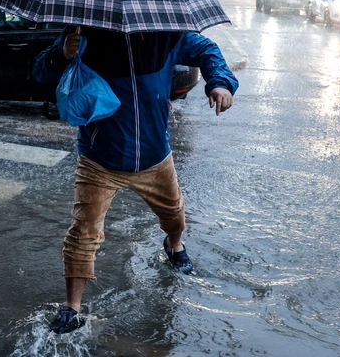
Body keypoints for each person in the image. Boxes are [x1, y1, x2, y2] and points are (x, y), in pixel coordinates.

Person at [33, 27, 239, 334]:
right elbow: (40, 72)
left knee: (174, 214)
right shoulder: (83, 32)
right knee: (83, 232)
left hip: (155, 156)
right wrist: (62, 53)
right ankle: (72, 308)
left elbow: (206, 49)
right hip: (99, 158)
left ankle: (174, 244)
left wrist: (220, 83)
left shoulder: (165, 34)